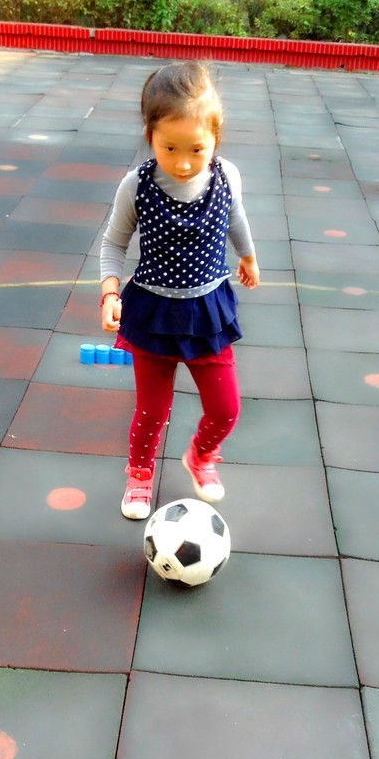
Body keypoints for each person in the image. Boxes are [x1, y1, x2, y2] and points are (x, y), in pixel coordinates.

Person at [99, 61, 260, 520]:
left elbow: (236, 216)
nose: (184, 162)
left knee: (226, 408)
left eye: (197, 149)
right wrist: (110, 293)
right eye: (170, 148)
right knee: (152, 410)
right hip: (152, 311)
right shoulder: (137, 185)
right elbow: (114, 242)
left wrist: (247, 256)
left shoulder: (226, 176)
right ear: (150, 135)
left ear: (215, 139)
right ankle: (139, 473)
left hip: (208, 311)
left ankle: (200, 456)